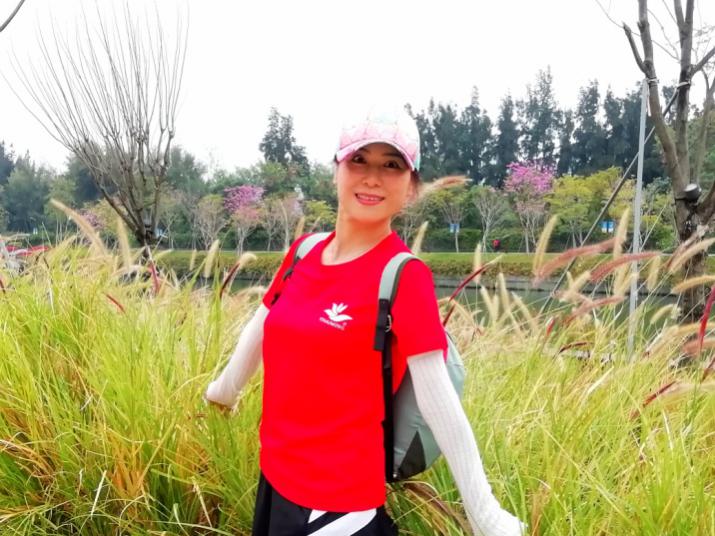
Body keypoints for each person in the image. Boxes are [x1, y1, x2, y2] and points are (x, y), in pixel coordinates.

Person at [205, 106, 526, 536]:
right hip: (275, 477)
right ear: (336, 170)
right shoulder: (303, 252)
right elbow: (263, 325)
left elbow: (439, 400)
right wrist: (224, 390)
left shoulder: (404, 275)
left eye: (392, 165)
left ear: (411, 187)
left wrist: (485, 514)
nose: (373, 177)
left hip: (335, 506)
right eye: (359, 159)